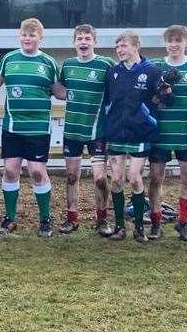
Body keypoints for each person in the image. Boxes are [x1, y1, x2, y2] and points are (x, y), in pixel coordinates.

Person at [0, 18, 61, 237]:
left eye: (32, 35)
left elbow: (59, 92)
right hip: (13, 127)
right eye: (24, 35)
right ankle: (10, 218)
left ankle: (45, 219)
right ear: (20, 36)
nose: (27, 38)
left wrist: (79, 93)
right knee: (10, 170)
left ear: (40, 37)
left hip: (38, 128)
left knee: (38, 173)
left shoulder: (48, 62)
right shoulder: (10, 58)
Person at [105, 30, 173, 244]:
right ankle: (119, 226)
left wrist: (167, 91)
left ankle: (139, 227)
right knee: (116, 179)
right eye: (117, 47)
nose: (120, 50)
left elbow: (164, 100)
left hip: (141, 132)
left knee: (134, 178)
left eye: (124, 46)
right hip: (116, 131)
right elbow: (107, 101)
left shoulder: (151, 71)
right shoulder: (113, 72)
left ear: (136, 47)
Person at [149, 25, 187, 242]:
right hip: (160, 134)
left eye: (178, 41)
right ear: (165, 43)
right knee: (155, 179)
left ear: (186, 43)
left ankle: (182, 223)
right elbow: (148, 100)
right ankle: (155, 222)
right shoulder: (155, 66)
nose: (174, 45)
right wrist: (161, 94)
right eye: (170, 41)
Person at [58, 24, 115, 236]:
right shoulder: (68, 65)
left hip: (97, 131)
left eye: (87, 39)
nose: (83, 42)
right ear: (74, 43)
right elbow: (60, 91)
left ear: (95, 42)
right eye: (79, 38)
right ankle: (72, 218)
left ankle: (102, 219)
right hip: (72, 130)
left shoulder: (106, 65)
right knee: (72, 176)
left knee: (100, 178)